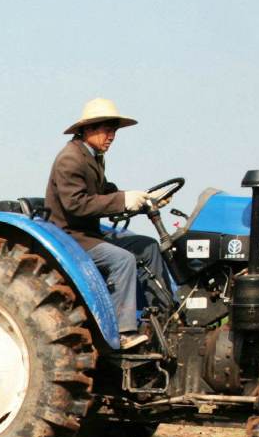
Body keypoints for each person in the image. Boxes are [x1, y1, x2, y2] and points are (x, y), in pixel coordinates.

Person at [46, 98, 175, 350]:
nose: (112, 136)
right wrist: (123, 200)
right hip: (72, 238)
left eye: (114, 130)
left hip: (89, 234)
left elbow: (105, 191)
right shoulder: (70, 159)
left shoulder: (93, 157)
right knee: (122, 259)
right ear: (88, 129)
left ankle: (164, 316)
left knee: (148, 246)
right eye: (107, 129)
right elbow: (77, 204)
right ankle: (123, 332)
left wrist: (145, 199)